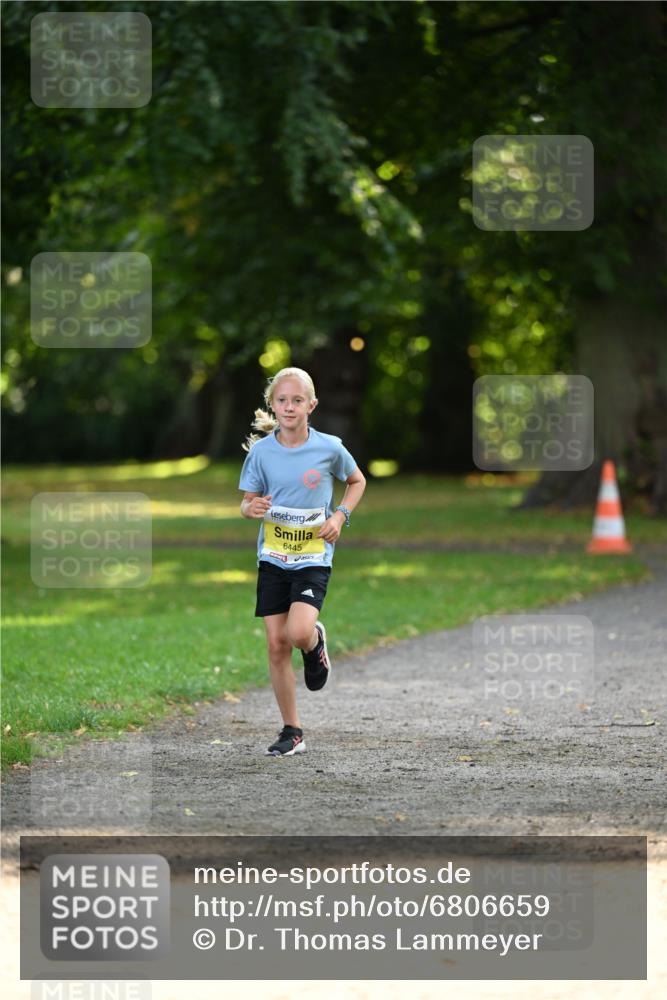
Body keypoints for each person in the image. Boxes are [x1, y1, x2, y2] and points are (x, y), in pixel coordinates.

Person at [238, 366, 366, 757]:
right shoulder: (261, 453)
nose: (289, 407)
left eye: (297, 400)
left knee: (297, 632)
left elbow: (357, 481)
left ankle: (314, 644)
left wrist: (340, 516)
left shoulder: (329, 448)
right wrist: (250, 508)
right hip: (273, 557)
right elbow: (246, 502)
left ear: (311, 405)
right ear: (272, 405)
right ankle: (292, 730)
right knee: (276, 644)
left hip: (312, 556)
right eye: (282, 400)